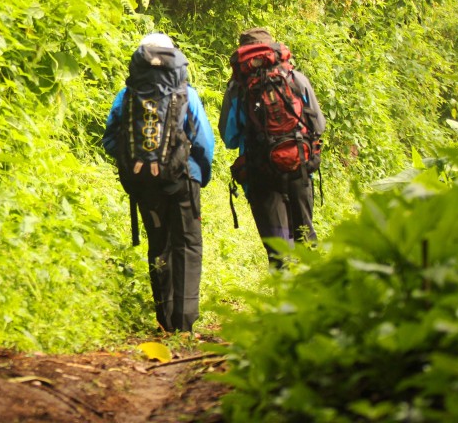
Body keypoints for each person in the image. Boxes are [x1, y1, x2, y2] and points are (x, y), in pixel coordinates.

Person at [102, 32, 215, 333]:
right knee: (187, 245)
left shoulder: (127, 95)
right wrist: (199, 174)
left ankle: (165, 319)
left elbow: (111, 139)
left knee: (159, 245)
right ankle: (184, 323)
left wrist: (135, 165)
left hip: (144, 183)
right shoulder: (186, 93)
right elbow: (204, 141)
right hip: (183, 180)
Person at [218, 27, 326, 267]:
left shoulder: (238, 88)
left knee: (279, 252)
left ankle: (284, 299)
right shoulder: (295, 78)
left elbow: (229, 138)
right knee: (306, 240)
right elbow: (318, 125)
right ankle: (318, 297)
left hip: (260, 174)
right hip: (298, 165)